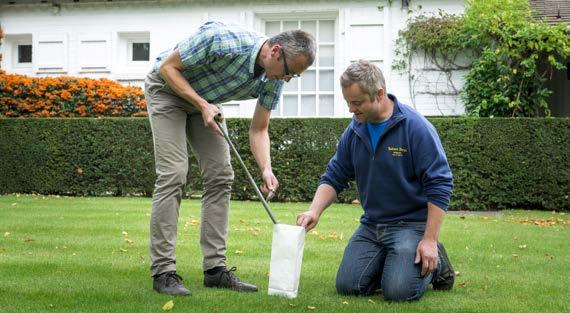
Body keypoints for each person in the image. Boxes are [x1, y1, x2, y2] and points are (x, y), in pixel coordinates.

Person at [144, 21, 316, 296]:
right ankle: (163, 272)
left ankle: (215, 270)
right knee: (174, 173)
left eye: (293, 77)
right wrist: (202, 105)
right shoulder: (222, 40)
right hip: (167, 90)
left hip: (206, 102)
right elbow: (167, 67)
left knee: (221, 175)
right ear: (275, 52)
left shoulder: (272, 81)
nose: (286, 80)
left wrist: (266, 169)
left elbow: (259, 129)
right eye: (289, 72)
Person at [296, 60, 455, 301]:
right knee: (349, 286)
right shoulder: (355, 131)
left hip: (410, 224)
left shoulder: (415, 128)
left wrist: (429, 239)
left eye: (357, 102)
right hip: (372, 225)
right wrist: (314, 211)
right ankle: (395, 261)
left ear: (379, 94)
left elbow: (440, 184)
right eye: (348, 102)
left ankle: (436, 259)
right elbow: (335, 174)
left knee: (399, 292)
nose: (351, 109)